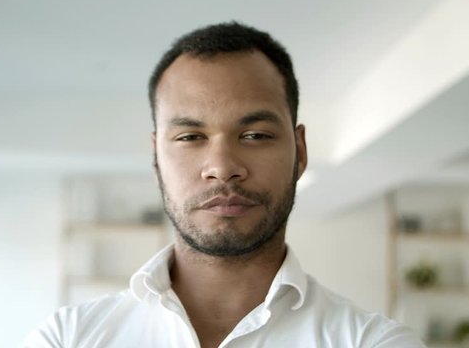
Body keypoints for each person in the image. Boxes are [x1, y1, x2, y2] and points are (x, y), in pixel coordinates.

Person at [22, 22, 425, 348]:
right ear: (156, 157)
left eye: (255, 135)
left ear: (300, 151)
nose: (222, 168)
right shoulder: (68, 338)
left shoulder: (372, 342)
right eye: (190, 137)